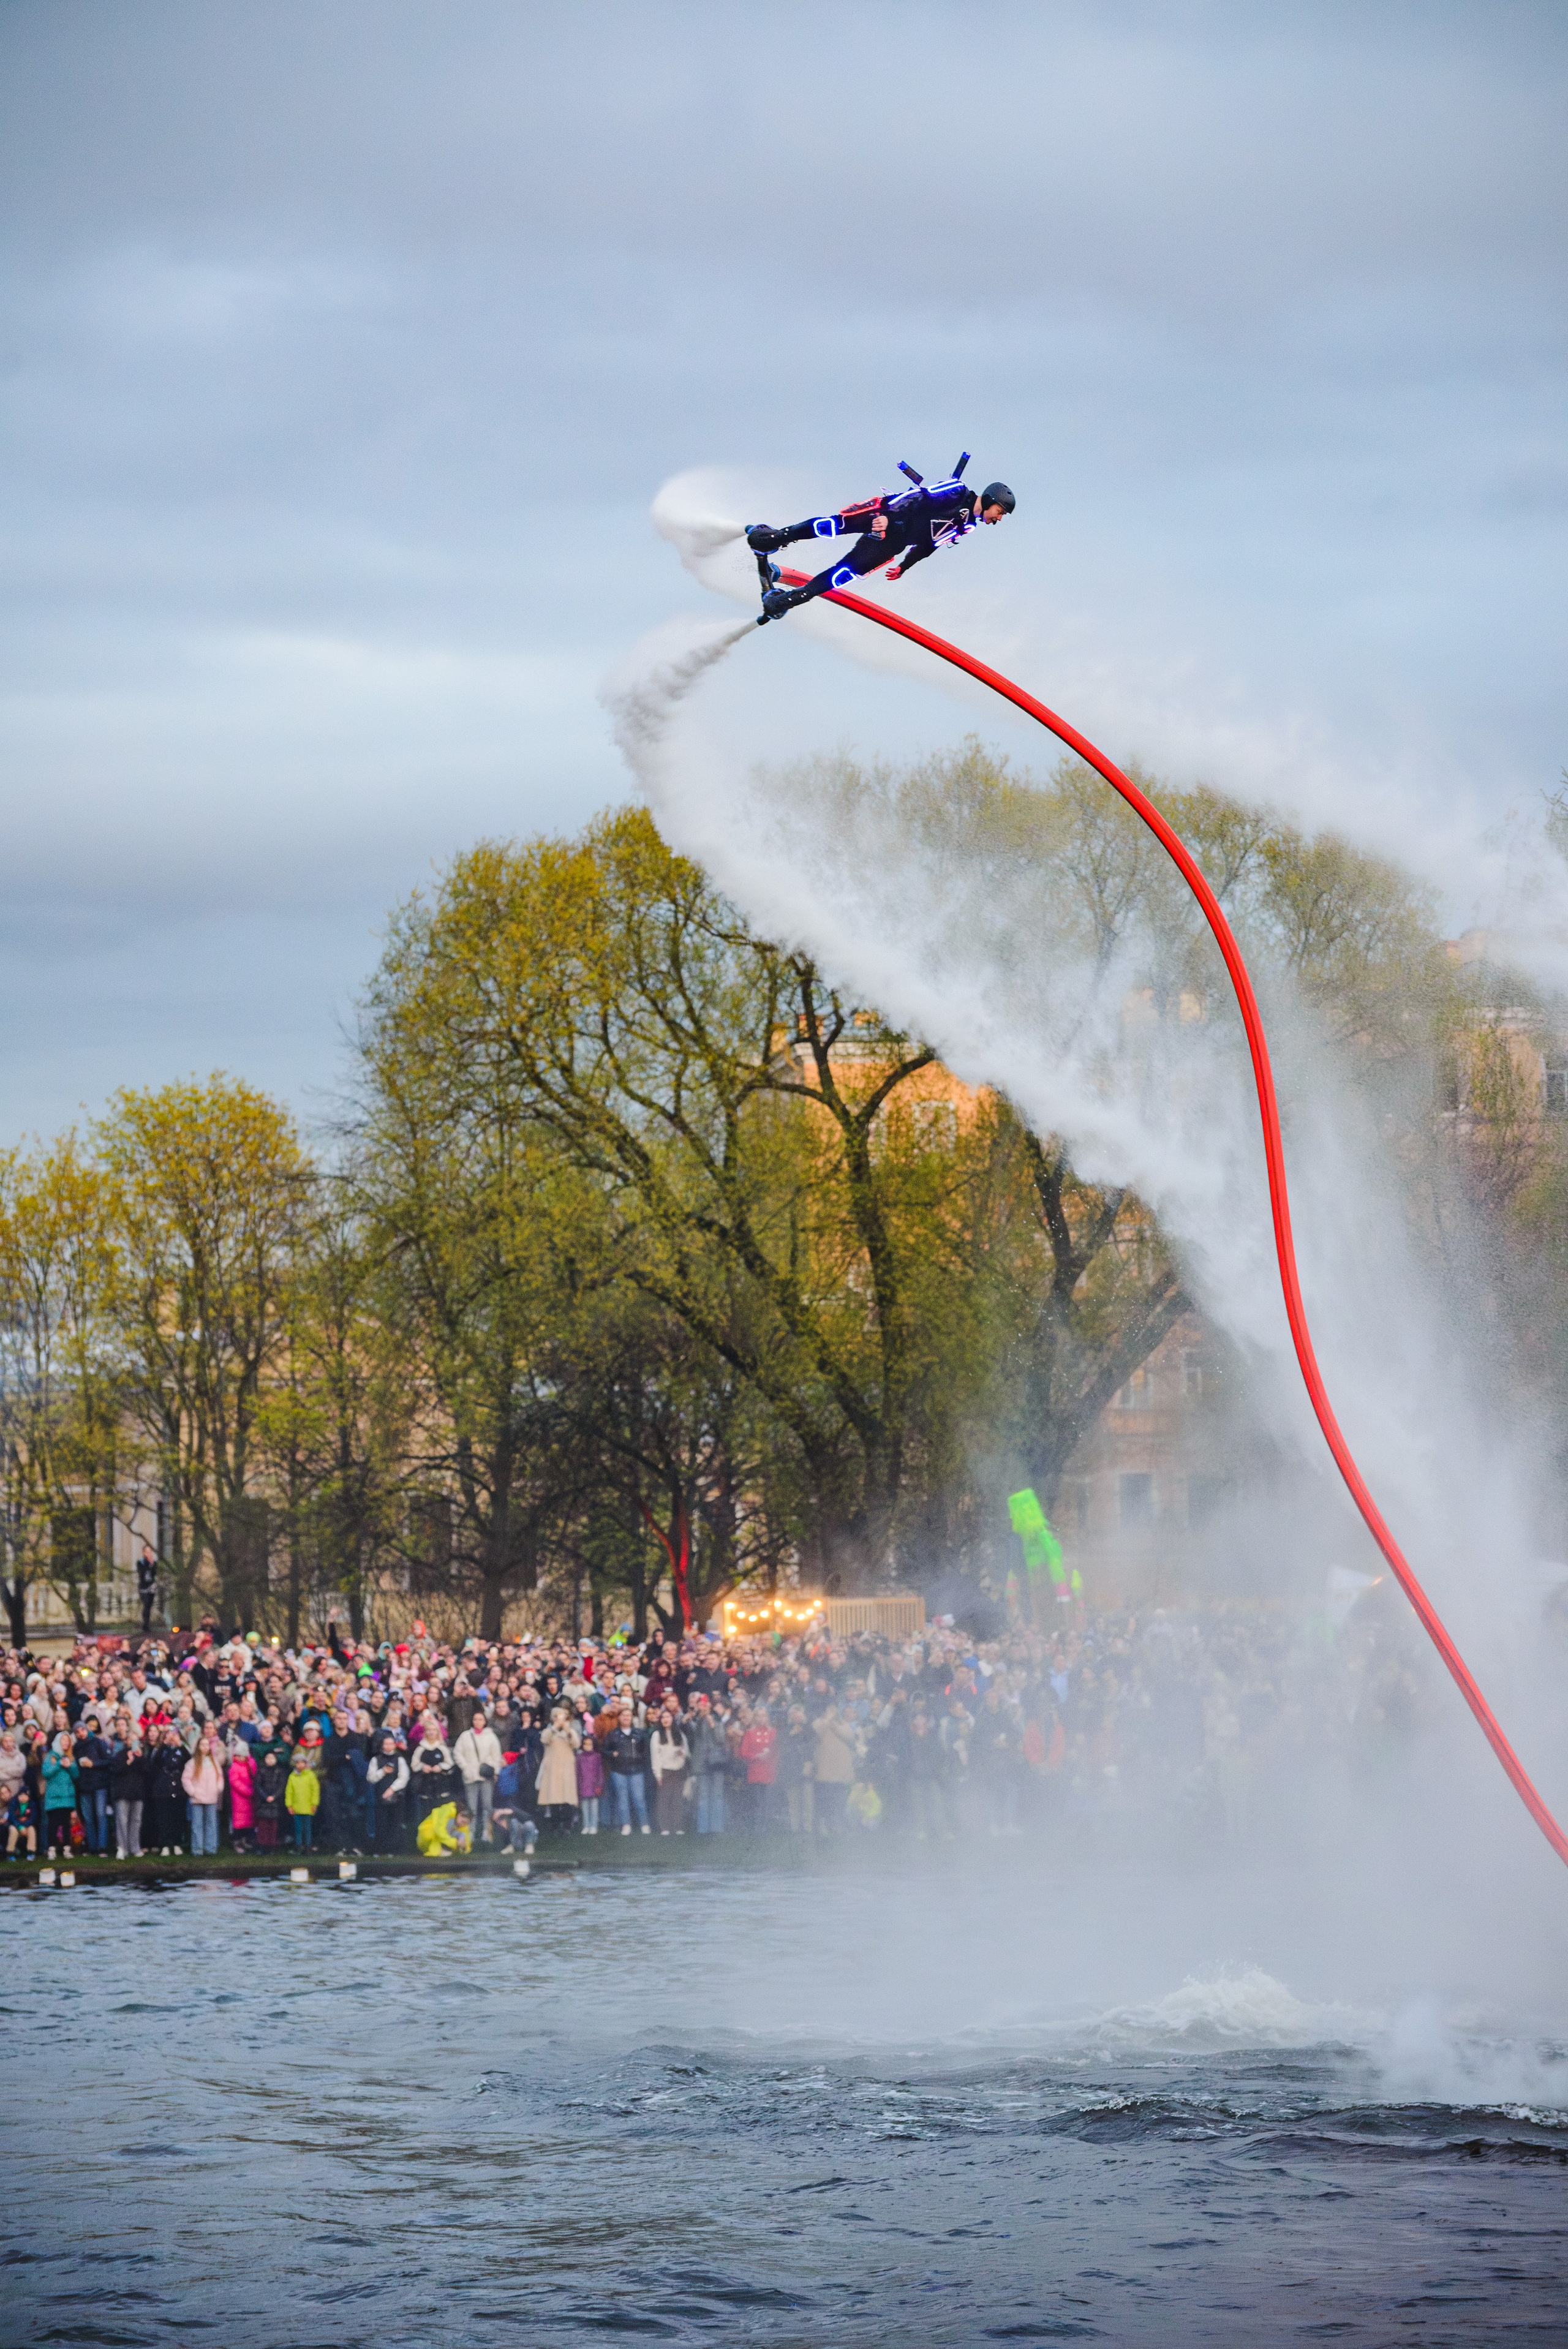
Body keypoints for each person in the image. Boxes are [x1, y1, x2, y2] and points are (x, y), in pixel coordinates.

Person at [749, 456, 1014, 622]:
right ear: (991, 501)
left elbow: (930, 544)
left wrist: (904, 566)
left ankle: (789, 599)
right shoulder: (957, 492)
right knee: (831, 526)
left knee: (844, 575)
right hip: (884, 513)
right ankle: (772, 538)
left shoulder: (967, 526)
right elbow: (915, 499)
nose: (998, 518)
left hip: (893, 542)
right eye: (1000, 512)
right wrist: (890, 519)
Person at [453, 1708, 503, 1846]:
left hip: (486, 1775)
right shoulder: (465, 1736)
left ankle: (487, 1833)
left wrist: (494, 1770)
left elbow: (496, 1756)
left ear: (485, 1721)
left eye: (480, 1719)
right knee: (471, 1807)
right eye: (475, 1719)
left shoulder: (491, 1736)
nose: (478, 1722)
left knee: (487, 1805)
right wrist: (466, 1768)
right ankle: (471, 1833)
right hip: (470, 1776)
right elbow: (458, 1754)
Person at [603, 1703, 650, 1835]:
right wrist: (612, 1754)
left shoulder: (639, 1734)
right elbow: (605, 1750)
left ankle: (645, 1824)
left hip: (637, 1771)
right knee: (622, 1799)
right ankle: (626, 1825)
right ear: (619, 1718)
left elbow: (645, 1752)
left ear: (632, 1718)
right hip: (619, 1771)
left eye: (629, 1715)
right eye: (623, 1715)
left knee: (639, 1798)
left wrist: (640, 1759)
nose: (626, 1718)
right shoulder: (613, 1734)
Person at [687, 1695, 729, 1835]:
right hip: (701, 1763)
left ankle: (716, 1828)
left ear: (709, 1706)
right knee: (703, 1797)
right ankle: (703, 1829)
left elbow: (721, 1739)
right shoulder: (694, 1720)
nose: (702, 1706)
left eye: (705, 1704)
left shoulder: (716, 1718)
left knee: (717, 1796)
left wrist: (713, 1726)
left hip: (715, 1761)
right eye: (700, 1704)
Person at [535, 1706, 580, 1834]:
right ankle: (555, 1826)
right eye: (556, 1717)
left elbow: (576, 1744)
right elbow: (544, 1739)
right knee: (554, 1798)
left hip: (567, 1768)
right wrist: (555, 1728)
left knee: (567, 1798)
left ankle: (567, 1825)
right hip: (553, 1769)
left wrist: (567, 1730)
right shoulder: (548, 1731)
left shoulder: (570, 1731)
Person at [182, 1730, 225, 1856]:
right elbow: (186, 1779)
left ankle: (211, 1848)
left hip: (211, 1797)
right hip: (197, 1798)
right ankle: (197, 1849)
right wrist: (193, 1792)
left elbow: (220, 1777)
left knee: (212, 1824)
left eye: (207, 1745)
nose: (205, 1747)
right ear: (198, 1747)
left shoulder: (214, 1762)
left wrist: (218, 1789)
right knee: (197, 1825)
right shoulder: (192, 1763)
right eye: (202, 1745)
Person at [649, 1708, 690, 1835]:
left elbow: (686, 1752)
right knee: (664, 1800)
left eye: (669, 1717)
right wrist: (658, 1774)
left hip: (678, 1770)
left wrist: (681, 1754)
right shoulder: (656, 1735)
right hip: (665, 1771)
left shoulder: (680, 1734)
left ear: (673, 1719)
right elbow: (655, 1756)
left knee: (677, 1800)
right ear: (661, 1721)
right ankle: (665, 1828)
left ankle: (678, 1827)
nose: (666, 1719)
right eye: (663, 1717)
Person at [365, 1733, 409, 1850]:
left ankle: (394, 1849)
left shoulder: (400, 1759)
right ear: (382, 1745)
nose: (389, 1746)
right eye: (386, 1744)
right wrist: (383, 1772)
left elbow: (404, 1778)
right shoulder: (376, 1759)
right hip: (379, 1797)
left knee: (395, 1823)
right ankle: (381, 1849)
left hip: (396, 1797)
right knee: (381, 1823)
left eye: (391, 1744)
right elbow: (371, 1778)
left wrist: (392, 1789)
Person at [41, 1732, 78, 1856]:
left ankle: (67, 1848)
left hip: (67, 1797)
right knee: (53, 1824)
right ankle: (52, 1849)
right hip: (54, 1798)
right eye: (64, 1740)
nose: (66, 1743)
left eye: (68, 1740)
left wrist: (70, 1766)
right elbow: (46, 1773)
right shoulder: (50, 1757)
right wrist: (59, 1764)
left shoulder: (71, 1757)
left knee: (66, 1824)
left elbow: (76, 1775)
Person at [285, 1752, 320, 1850]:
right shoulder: (292, 1776)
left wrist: (314, 1804)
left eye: (302, 1763)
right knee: (298, 1829)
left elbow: (315, 1790)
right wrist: (289, 1805)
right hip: (297, 1807)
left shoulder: (311, 1775)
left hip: (308, 1807)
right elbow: (289, 1791)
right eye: (298, 1763)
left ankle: (308, 1845)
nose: (300, 1765)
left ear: (305, 1764)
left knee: (308, 1828)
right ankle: (299, 1845)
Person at [575, 1724, 604, 1835]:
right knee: (585, 1807)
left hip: (594, 1785)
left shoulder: (597, 1756)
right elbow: (577, 1772)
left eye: (590, 1744)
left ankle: (594, 1826)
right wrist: (578, 1785)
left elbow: (600, 1771)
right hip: (583, 1785)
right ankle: (586, 1825)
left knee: (594, 1807)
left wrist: (600, 1784)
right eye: (585, 1744)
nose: (588, 1746)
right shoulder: (579, 1757)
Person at [136, 1545, 159, 1636]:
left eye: (150, 1552)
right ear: (144, 1552)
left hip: (151, 1586)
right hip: (144, 1587)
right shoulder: (141, 1562)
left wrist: (152, 1564)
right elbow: (141, 1573)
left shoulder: (153, 1562)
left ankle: (148, 1624)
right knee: (146, 1604)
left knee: (149, 1605)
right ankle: (145, 1624)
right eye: (147, 1552)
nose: (149, 1553)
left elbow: (154, 1573)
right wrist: (148, 1564)